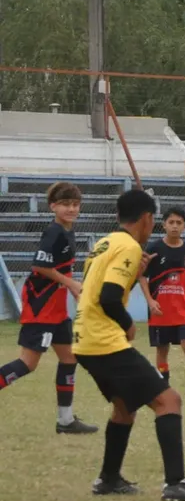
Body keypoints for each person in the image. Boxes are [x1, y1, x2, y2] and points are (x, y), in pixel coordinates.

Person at [75, 189, 185, 501]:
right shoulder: (128, 246)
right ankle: (175, 483)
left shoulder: (104, 243)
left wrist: (135, 274)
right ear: (147, 219)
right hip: (105, 341)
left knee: (124, 408)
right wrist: (127, 323)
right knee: (169, 401)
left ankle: (109, 479)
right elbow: (109, 297)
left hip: (84, 340)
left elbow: (97, 287)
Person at [0, 182, 96, 434]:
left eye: (75, 204)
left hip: (56, 310)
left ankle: (65, 421)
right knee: (27, 364)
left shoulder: (68, 231)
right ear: (53, 206)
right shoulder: (53, 232)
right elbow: (40, 267)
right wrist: (72, 284)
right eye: (65, 204)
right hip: (41, 306)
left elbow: (61, 268)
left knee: (69, 357)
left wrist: (73, 290)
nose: (71, 209)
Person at [139, 207, 185, 405]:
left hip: (184, 309)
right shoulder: (153, 249)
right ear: (164, 225)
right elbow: (141, 276)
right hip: (160, 310)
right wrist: (150, 301)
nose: (175, 226)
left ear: (184, 226)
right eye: (171, 222)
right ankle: (164, 391)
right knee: (162, 350)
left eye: (179, 223)